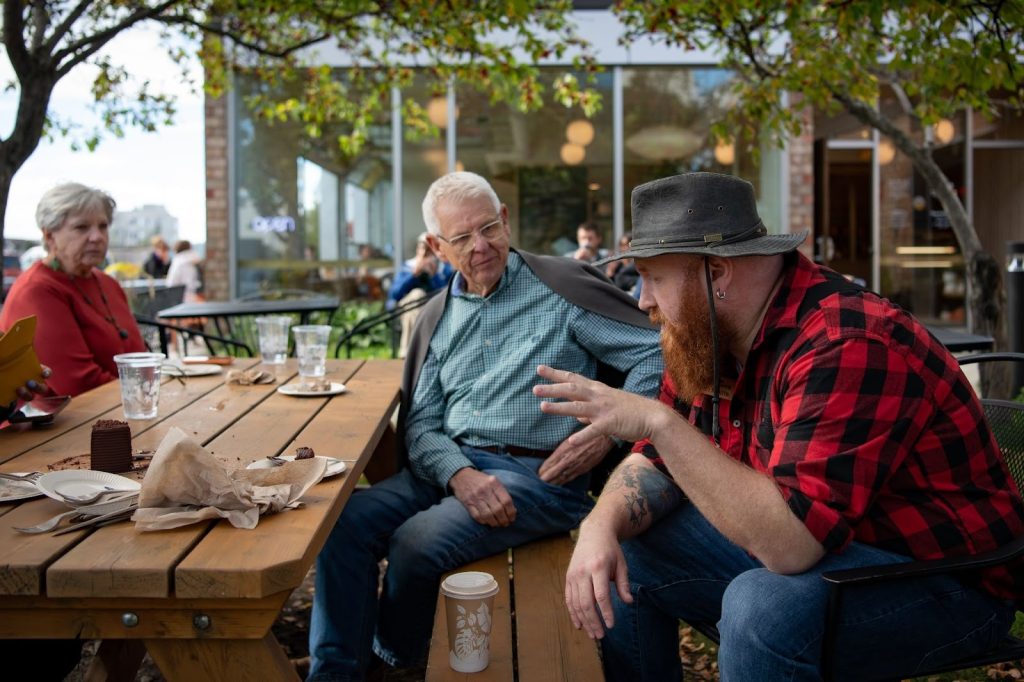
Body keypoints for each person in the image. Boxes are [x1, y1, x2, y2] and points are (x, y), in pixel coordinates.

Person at [533, 172, 1024, 681]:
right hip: (831, 549)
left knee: (761, 607)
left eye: (654, 277)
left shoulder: (846, 341)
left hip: (946, 583)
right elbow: (656, 462)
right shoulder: (708, 333)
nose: (642, 300)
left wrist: (660, 424)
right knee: (624, 545)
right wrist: (600, 524)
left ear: (717, 272)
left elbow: (792, 546)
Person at [308, 171, 664, 681]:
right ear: (436, 245)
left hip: (538, 477)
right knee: (342, 523)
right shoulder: (438, 315)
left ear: (505, 220)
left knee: (414, 542)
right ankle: (336, 673)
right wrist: (458, 474)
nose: (481, 246)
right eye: (461, 238)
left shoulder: (560, 290)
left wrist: (609, 429)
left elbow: (654, 354)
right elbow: (423, 424)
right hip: (449, 470)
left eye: (489, 228)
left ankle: (396, 662)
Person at [0, 183, 146, 397]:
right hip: (62, 426)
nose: (97, 236)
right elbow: (79, 384)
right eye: (81, 227)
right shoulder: (37, 290)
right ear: (50, 236)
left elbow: (140, 360)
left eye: (103, 226)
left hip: (125, 411)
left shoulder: (107, 283)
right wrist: (150, 392)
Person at [387, 233, 455, 357]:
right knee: (417, 295)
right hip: (407, 307)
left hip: (433, 308)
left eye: (429, 249)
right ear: (417, 249)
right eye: (422, 247)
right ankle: (420, 352)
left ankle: (409, 354)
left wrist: (434, 275)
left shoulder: (442, 269)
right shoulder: (408, 266)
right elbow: (395, 293)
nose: (425, 252)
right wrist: (414, 274)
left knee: (419, 302)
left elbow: (446, 294)